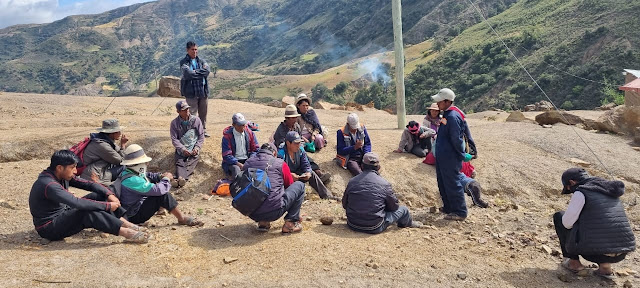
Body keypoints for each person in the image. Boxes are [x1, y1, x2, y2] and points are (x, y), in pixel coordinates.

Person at [29, 150, 149, 243]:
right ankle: (126, 232)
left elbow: (88, 184)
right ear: (60, 168)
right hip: (49, 227)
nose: (75, 171)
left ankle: (127, 224)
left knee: (98, 195)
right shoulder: (49, 184)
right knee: (86, 212)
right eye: (72, 167)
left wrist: (109, 194)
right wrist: (107, 206)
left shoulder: (59, 175)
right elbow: (76, 203)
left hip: (63, 213)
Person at [553, 168, 635, 280]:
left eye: (569, 189)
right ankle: (605, 268)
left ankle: (574, 263)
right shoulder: (610, 189)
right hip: (622, 252)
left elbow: (567, 224)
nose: (571, 192)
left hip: (594, 253)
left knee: (559, 217)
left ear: (572, 183)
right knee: (602, 224)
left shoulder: (581, 192)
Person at [113, 144, 204, 227]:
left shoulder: (128, 172)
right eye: (144, 162)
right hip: (134, 215)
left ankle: (162, 209)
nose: (147, 164)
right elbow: (159, 190)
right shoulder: (133, 180)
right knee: (162, 195)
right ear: (137, 164)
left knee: (156, 187)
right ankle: (181, 218)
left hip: (133, 208)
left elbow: (147, 175)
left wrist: (160, 176)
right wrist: (166, 179)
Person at [342, 152, 422, 234]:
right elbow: (394, 207)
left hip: (352, 224)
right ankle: (406, 224)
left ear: (361, 166)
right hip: (374, 227)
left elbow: (344, 204)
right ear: (378, 167)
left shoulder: (352, 181)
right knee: (404, 210)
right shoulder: (384, 184)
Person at [244, 143, 306, 233]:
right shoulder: (279, 163)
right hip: (273, 212)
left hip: (251, 213)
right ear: (274, 153)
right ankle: (290, 223)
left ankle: (263, 223)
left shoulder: (248, 162)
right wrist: (295, 214)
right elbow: (289, 185)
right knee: (300, 185)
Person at [432, 88, 473, 221]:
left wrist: (461, 154)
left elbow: (456, 138)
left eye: (439, 101)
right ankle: (449, 207)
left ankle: (460, 211)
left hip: (450, 156)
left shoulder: (453, 116)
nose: (437, 104)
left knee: (452, 182)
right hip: (443, 156)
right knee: (443, 182)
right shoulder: (447, 115)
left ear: (447, 101)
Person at [278, 131, 337, 200]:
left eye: (299, 143)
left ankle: (327, 195)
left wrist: (308, 172)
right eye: (296, 143)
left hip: (297, 174)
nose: (298, 145)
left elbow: (306, 164)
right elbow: (278, 170)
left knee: (312, 174)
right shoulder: (281, 153)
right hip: (286, 177)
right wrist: (289, 175)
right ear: (288, 143)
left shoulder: (300, 150)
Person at [80, 119, 127, 185]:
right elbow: (120, 161)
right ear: (111, 133)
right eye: (118, 131)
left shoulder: (104, 140)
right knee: (125, 168)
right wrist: (123, 145)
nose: (120, 134)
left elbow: (117, 151)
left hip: (98, 169)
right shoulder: (102, 145)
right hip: (96, 173)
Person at [170, 100, 205, 187]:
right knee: (179, 161)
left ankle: (179, 178)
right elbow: (174, 139)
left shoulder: (196, 120)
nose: (187, 111)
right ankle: (182, 179)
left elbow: (201, 136)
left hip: (193, 148)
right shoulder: (174, 123)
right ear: (178, 111)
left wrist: (197, 147)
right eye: (184, 110)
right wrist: (182, 149)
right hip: (182, 149)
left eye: (187, 109)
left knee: (192, 161)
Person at [180, 41, 211, 137]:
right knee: (191, 114)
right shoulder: (184, 62)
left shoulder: (201, 61)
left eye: (196, 49)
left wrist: (194, 72)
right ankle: (192, 132)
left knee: (203, 113)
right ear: (187, 50)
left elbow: (207, 71)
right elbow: (187, 74)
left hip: (202, 91)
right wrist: (200, 73)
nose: (195, 52)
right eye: (192, 50)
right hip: (191, 92)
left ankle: (202, 131)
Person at [222, 113, 259, 179]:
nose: (242, 127)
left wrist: (250, 160)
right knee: (236, 171)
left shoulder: (250, 133)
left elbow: (256, 149)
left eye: (243, 125)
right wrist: (238, 163)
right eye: (239, 125)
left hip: (248, 159)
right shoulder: (227, 137)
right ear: (233, 125)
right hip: (234, 162)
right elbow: (226, 155)